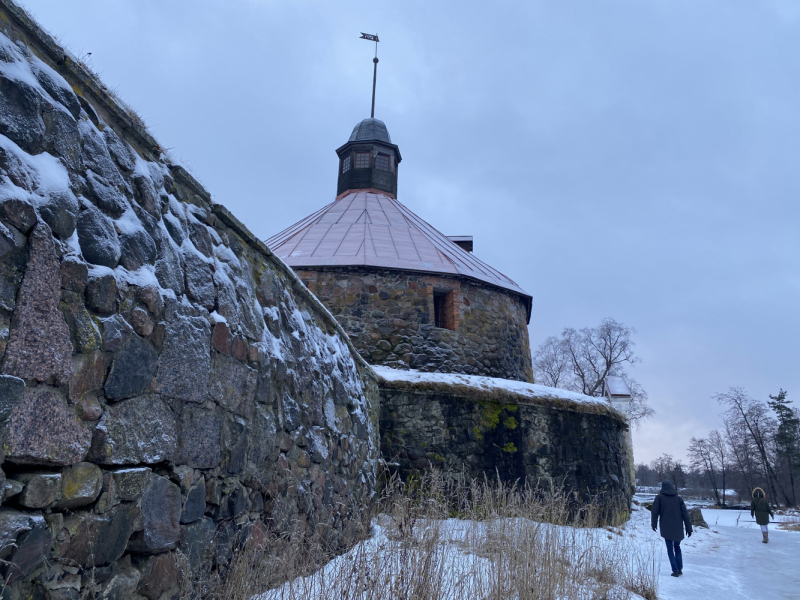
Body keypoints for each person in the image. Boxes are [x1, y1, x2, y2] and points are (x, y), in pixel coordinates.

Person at [651, 480, 692, 577]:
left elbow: (655, 512)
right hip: (678, 527)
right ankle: (680, 567)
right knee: (677, 547)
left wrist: (654, 524)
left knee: (670, 549)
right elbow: (685, 515)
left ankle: (675, 570)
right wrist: (689, 528)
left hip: (666, 527)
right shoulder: (678, 499)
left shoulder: (659, 498)